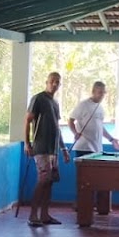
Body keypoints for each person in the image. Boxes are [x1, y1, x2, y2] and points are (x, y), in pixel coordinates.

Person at [25, 71, 70, 228]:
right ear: (47, 82)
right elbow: (28, 120)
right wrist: (27, 143)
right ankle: (33, 215)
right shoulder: (38, 98)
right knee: (43, 179)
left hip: (53, 150)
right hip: (41, 147)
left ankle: (44, 215)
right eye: (52, 81)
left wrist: (63, 149)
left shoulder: (55, 103)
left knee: (50, 181)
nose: (54, 84)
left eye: (57, 82)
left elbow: (57, 128)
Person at [69, 81, 119, 158]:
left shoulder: (100, 108)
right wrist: (75, 133)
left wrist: (111, 139)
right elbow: (71, 120)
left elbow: (100, 127)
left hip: (97, 149)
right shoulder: (83, 104)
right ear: (93, 92)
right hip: (84, 147)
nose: (102, 95)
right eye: (100, 92)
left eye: (104, 93)